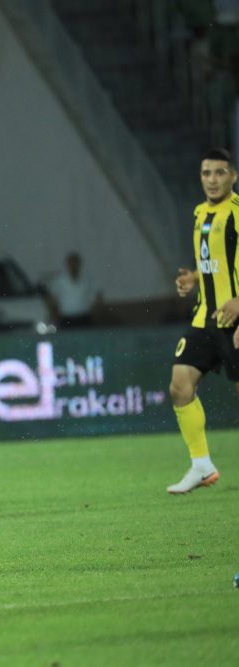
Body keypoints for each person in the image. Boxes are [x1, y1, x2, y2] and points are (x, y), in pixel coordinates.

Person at [167, 147, 239, 494]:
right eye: (206, 173)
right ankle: (201, 465)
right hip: (205, 317)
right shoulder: (199, 213)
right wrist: (195, 278)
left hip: (235, 320)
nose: (212, 180)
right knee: (180, 386)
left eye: (219, 172)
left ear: (233, 176)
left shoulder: (237, 213)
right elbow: (217, 261)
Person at [46, 252, 102, 328]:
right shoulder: (60, 280)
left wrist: (96, 311)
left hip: (84, 317)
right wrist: (53, 314)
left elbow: (98, 294)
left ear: (79, 264)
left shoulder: (87, 279)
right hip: (66, 318)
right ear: (67, 264)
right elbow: (52, 298)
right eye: (71, 263)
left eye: (75, 263)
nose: (73, 265)